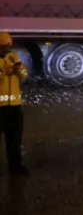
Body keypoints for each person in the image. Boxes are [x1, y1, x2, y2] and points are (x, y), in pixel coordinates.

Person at [0, 32, 29, 176]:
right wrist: (5, 70)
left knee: (15, 140)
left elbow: (24, 75)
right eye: (3, 45)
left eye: (7, 45)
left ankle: (16, 167)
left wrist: (18, 67)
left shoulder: (13, 57)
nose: (6, 48)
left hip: (15, 107)